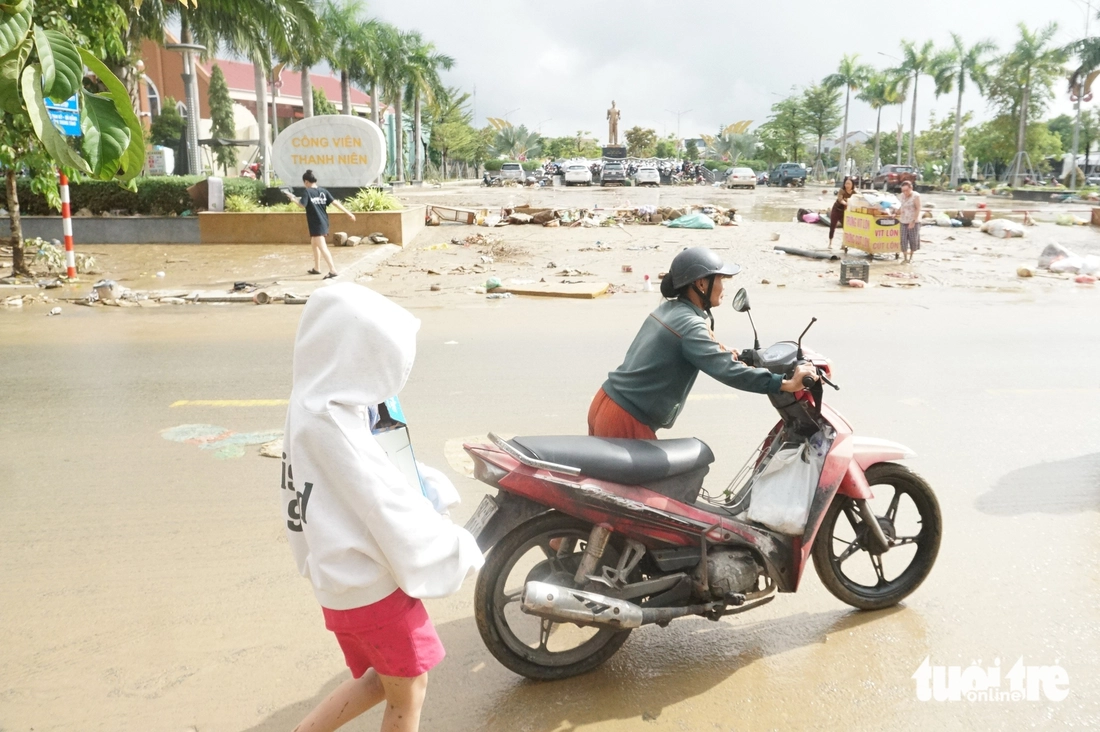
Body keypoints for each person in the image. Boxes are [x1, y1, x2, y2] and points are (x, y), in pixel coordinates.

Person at [282, 283, 483, 732]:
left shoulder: (311, 401)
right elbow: (384, 506)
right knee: (408, 693)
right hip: (372, 587)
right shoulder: (337, 425)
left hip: (337, 583)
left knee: (384, 680)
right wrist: (451, 546)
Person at [588, 247, 818, 439]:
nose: (724, 287)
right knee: (646, 490)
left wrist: (722, 349)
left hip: (606, 402)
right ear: (701, 284)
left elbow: (677, 346)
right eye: (720, 279)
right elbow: (728, 371)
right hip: (626, 418)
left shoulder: (670, 309)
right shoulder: (691, 326)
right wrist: (786, 384)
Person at [285, 169, 356, 279]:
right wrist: (348, 213)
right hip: (323, 221)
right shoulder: (323, 191)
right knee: (314, 244)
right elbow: (335, 202)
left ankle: (333, 270)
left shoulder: (307, 192)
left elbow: (302, 205)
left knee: (322, 247)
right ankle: (317, 268)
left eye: (304, 183)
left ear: (306, 182)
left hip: (315, 223)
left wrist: (292, 199)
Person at [898, 179, 922, 264]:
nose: (905, 192)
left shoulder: (916, 196)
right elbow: (900, 206)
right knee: (903, 240)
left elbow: (918, 208)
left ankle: (911, 257)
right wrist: (896, 213)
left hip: (913, 221)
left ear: (911, 188)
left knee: (913, 240)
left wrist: (913, 221)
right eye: (903, 191)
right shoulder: (901, 196)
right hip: (903, 220)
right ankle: (905, 258)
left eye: (907, 190)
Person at [829, 176, 856, 249]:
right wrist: (846, 203)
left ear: (852, 185)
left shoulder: (854, 192)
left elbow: (859, 198)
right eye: (846, 184)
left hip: (844, 212)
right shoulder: (842, 190)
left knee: (846, 228)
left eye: (849, 184)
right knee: (832, 226)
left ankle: (844, 244)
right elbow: (840, 199)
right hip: (836, 209)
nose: (847, 185)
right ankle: (830, 243)